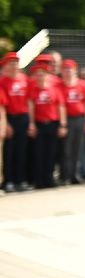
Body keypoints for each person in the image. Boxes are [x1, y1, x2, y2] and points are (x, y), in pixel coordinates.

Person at [29, 62, 67, 189]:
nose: (40, 76)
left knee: (51, 153)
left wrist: (62, 124)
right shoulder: (33, 90)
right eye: (37, 74)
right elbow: (31, 108)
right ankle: (39, 180)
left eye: (42, 74)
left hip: (52, 124)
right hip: (39, 124)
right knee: (38, 153)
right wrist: (32, 124)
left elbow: (60, 106)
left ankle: (49, 179)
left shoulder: (54, 89)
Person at [1, 53, 32, 192]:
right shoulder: (2, 82)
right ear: (7, 65)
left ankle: (20, 180)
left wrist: (31, 122)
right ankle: (9, 181)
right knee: (9, 151)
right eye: (11, 63)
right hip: (10, 118)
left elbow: (30, 102)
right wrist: (6, 124)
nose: (14, 65)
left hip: (23, 118)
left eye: (16, 63)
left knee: (21, 151)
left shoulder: (25, 80)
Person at [60, 61, 85, 185]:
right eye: (65, 69)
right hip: (67, 119)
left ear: (75, 71)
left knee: (78, 149)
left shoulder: (82, 84)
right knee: (66, 149)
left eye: (70, 69)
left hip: (79, 119)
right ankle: (66, 176)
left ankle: (75, 174)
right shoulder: (60, 85)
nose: (68, 72)